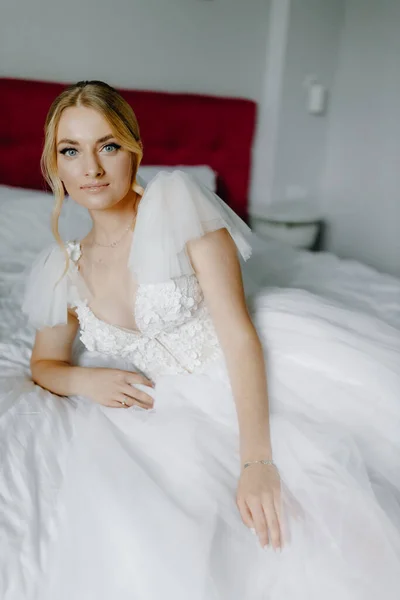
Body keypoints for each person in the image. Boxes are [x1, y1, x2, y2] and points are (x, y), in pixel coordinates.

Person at [8, 80, 400, 599]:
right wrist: (84, 379)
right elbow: (44, 364)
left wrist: (256, 461)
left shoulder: (180, 212)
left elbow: (238, 336)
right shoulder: (63, 266)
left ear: (134, 149)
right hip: (166, 407)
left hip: (243, 372)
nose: (92, 168)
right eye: (70, 151)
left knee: (326, 519)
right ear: (54, 165)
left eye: (107, 146)